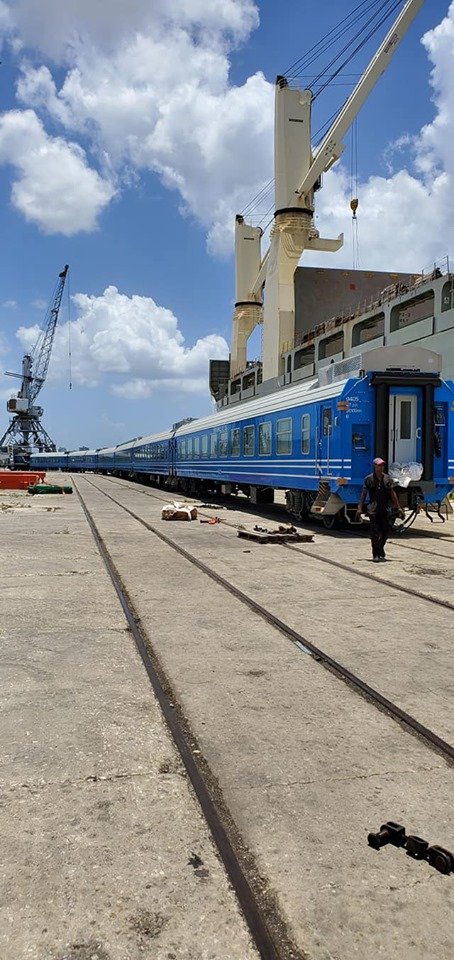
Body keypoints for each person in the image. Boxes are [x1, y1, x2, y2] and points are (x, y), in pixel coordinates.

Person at [356, 457, 403, 562]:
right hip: (373, 509)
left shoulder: (387, 479)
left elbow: (392, 493)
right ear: (374, 466)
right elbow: (364, 494)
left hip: (385, 509)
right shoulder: (369, 479)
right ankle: (375, 554)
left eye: (382, 465)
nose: (381, 467)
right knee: (375, 532)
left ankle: (380, 548)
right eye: (379, 465)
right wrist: (360, 508)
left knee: (386, 531)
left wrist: (398, 507)